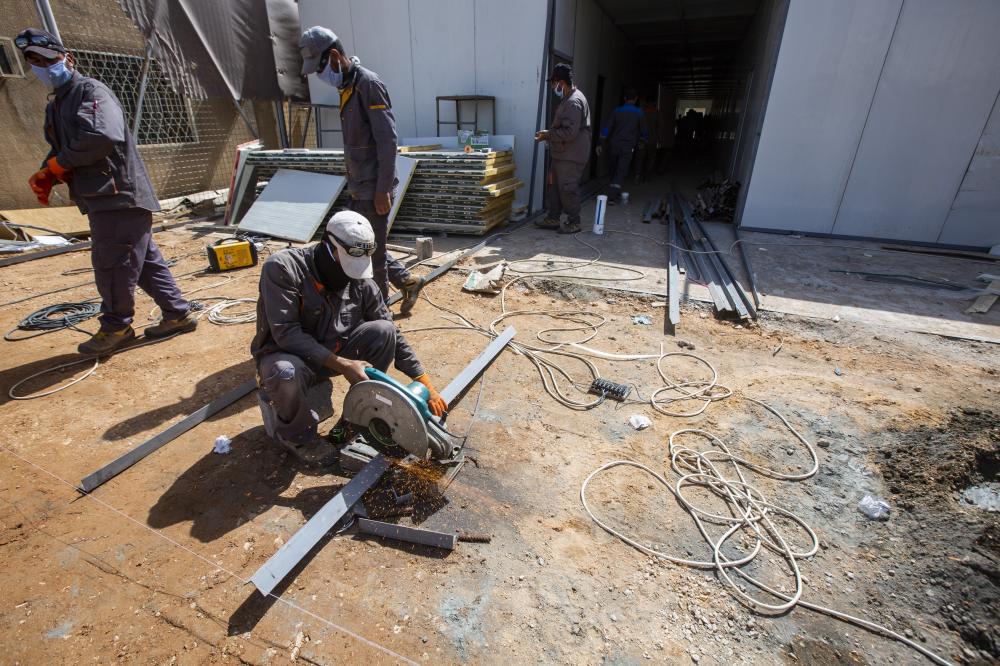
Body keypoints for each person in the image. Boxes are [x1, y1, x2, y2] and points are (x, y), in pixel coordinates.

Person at [17, 28, 196, 355]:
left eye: (47, 60)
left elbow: (102, 136)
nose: (41, 67)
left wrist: (58, 165)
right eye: (33, 62)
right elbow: (64, 148)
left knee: (112, 263)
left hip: (117, 196)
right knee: (143, 261)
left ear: (67, 58)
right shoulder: (57, 105)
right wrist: (48, 172)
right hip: (103, 197)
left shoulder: (90, 91)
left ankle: (116, 326)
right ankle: (177, 314)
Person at [251, 210, 447, 465]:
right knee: (285, 372)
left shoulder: (361, 281)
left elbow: (392, 331)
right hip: (289, 355)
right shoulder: (283, 268)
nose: (349, 275)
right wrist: (343, 364)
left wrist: (424, 382)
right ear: (328, 246)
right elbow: (285, 333)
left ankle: (358, 417)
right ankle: (299, 437)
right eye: (345, 265)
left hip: (333, 351)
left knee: (382, 331)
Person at [298, 26, 424, 314]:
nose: (320, 76)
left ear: (334, 57)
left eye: (320, 68)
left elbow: (387, 140)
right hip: (358, 185)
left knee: (370, 256)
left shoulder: (368, 84)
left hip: (373, 188)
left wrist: (383, 190)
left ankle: (380, 317)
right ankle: (407, 281)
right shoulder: (347, 87)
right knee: (357, 244)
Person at [534, 63, 591, 234]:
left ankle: (574, 222)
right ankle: (553, 217)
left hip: (571, 155)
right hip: (562, 153)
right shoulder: (568, 98)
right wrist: (549, 134)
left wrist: (548, 135)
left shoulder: (573, 102)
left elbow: (570, 132)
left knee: (567, 188)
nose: (553, 87)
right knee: (554, 188)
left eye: (554, 83)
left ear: (561, 83)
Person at [596, 88, 647, 203]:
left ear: (624, 98)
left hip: (614, 145)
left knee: (613, 169)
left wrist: (600, 142)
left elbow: (607, 128)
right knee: (621, 171)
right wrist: (642, 142)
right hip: (628, 147)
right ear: (636, 99)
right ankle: (612, 197)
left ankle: (613, 192)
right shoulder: (639, 113)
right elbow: (644, 131)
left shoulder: (616, 111)